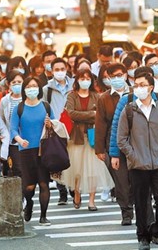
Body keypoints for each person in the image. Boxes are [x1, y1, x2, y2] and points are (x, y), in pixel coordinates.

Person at [117, 72, 158, 250]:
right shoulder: (129, 110)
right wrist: (133, 155)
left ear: (151, 87)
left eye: (142, 84)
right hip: (138, 164)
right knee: (141, 200)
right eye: (136, 84)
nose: (138, 88)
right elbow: (121, 139)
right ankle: (143, 236)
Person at [63, 69, 113, 211]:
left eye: (87, 78)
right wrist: (92, 114)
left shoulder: (96, 96)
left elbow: (101, 115)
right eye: (82, 78)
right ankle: (77, 193)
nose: (85, 80)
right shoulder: (71, 96)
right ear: (77, 80)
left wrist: (89, 115)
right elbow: (71, 113)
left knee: (93, 171)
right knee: (77, 170)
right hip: (76, 137)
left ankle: (92, 200)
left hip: (92, 137)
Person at [11, 76, 55, 226]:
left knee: (44, 183)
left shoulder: (46, 106)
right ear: (24, 90)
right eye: (29, 86)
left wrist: (50, 125)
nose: (32, 89)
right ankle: (28, 202)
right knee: (29, 186)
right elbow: (12, 129)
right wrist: (19, 140)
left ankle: (43, 216)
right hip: (25, 150)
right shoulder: (20, 108)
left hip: (43, 150)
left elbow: (56, 125)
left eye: (35, 86)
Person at [95, 63, 134, 225]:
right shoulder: (104, 98)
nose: (118, 78)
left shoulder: (134, 93)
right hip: (113, 144)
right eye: (114, 76)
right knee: (121, 180)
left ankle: (139, 206)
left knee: (136, 178)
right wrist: (100, 149)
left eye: (121, 75)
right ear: (109, 79)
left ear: (126, 75)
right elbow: (101, 124)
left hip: (135, 143)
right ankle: (126, 211)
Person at [42, 57, 74, 205]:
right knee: (58, 158)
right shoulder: (46, 89)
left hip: (72, 126)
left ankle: (74, 190)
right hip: (55, 128)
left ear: (67, 69)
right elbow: (44, 108)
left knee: (72, 159)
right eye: (56, 70)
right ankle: (62, 192)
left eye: (62, 69)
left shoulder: (74, 85)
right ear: (51, 71)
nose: (60, 72)